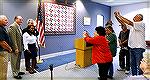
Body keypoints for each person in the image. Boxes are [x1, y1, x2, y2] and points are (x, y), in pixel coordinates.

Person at [114, 11, 146, 76]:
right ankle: (134, 76)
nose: (134, 17)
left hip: (138, 48)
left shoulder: (141, 24)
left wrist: (120, 15)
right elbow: (122, 23)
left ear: (140, 19)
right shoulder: (132, 26)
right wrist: (116, 16)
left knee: (139, 65)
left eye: (136, 16)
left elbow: (129, 22)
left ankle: (141, 77)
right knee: (133, 64)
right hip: (132, 48)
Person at [0, 15, 12, 80]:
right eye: (5, 20)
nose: (7, 21)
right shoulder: (0, 29)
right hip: (3, 52)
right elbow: (2, 42)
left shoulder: (2, 28)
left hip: (3, 51)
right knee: (3, 71)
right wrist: (9, 48)